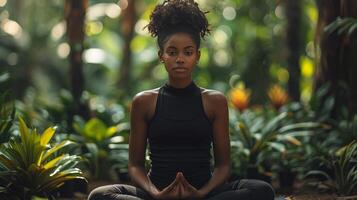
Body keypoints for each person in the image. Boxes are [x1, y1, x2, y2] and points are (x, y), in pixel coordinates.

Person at [88, 0, 275, 199]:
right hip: (156, 194)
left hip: (203, 194)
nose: (180, 59)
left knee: (262, 190)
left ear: (197, 56)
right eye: (172, 52)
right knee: (99, 195)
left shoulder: (214, 101)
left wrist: (200, 194)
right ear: (161, 55)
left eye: (188, 52)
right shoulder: (144, 102)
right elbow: (135, 166)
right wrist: (156, 194)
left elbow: (223, 167)